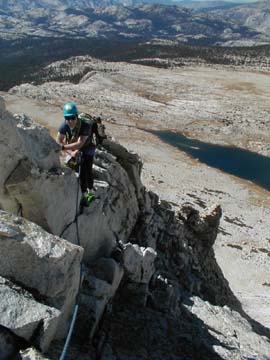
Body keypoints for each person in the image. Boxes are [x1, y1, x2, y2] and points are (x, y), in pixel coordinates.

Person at [56, 102, 99, 206]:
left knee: (86, 168)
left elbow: (80, 143)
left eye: (72, 117)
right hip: (75, 146)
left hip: (88, 146)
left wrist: (64, 148)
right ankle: (85, 192)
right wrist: (71, 152)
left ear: (76, 116)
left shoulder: (86, 125)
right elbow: (59, 141)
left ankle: (89, 191)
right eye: (67, 118)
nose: (70, 120)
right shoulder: (64, 125)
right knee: (79, 166)